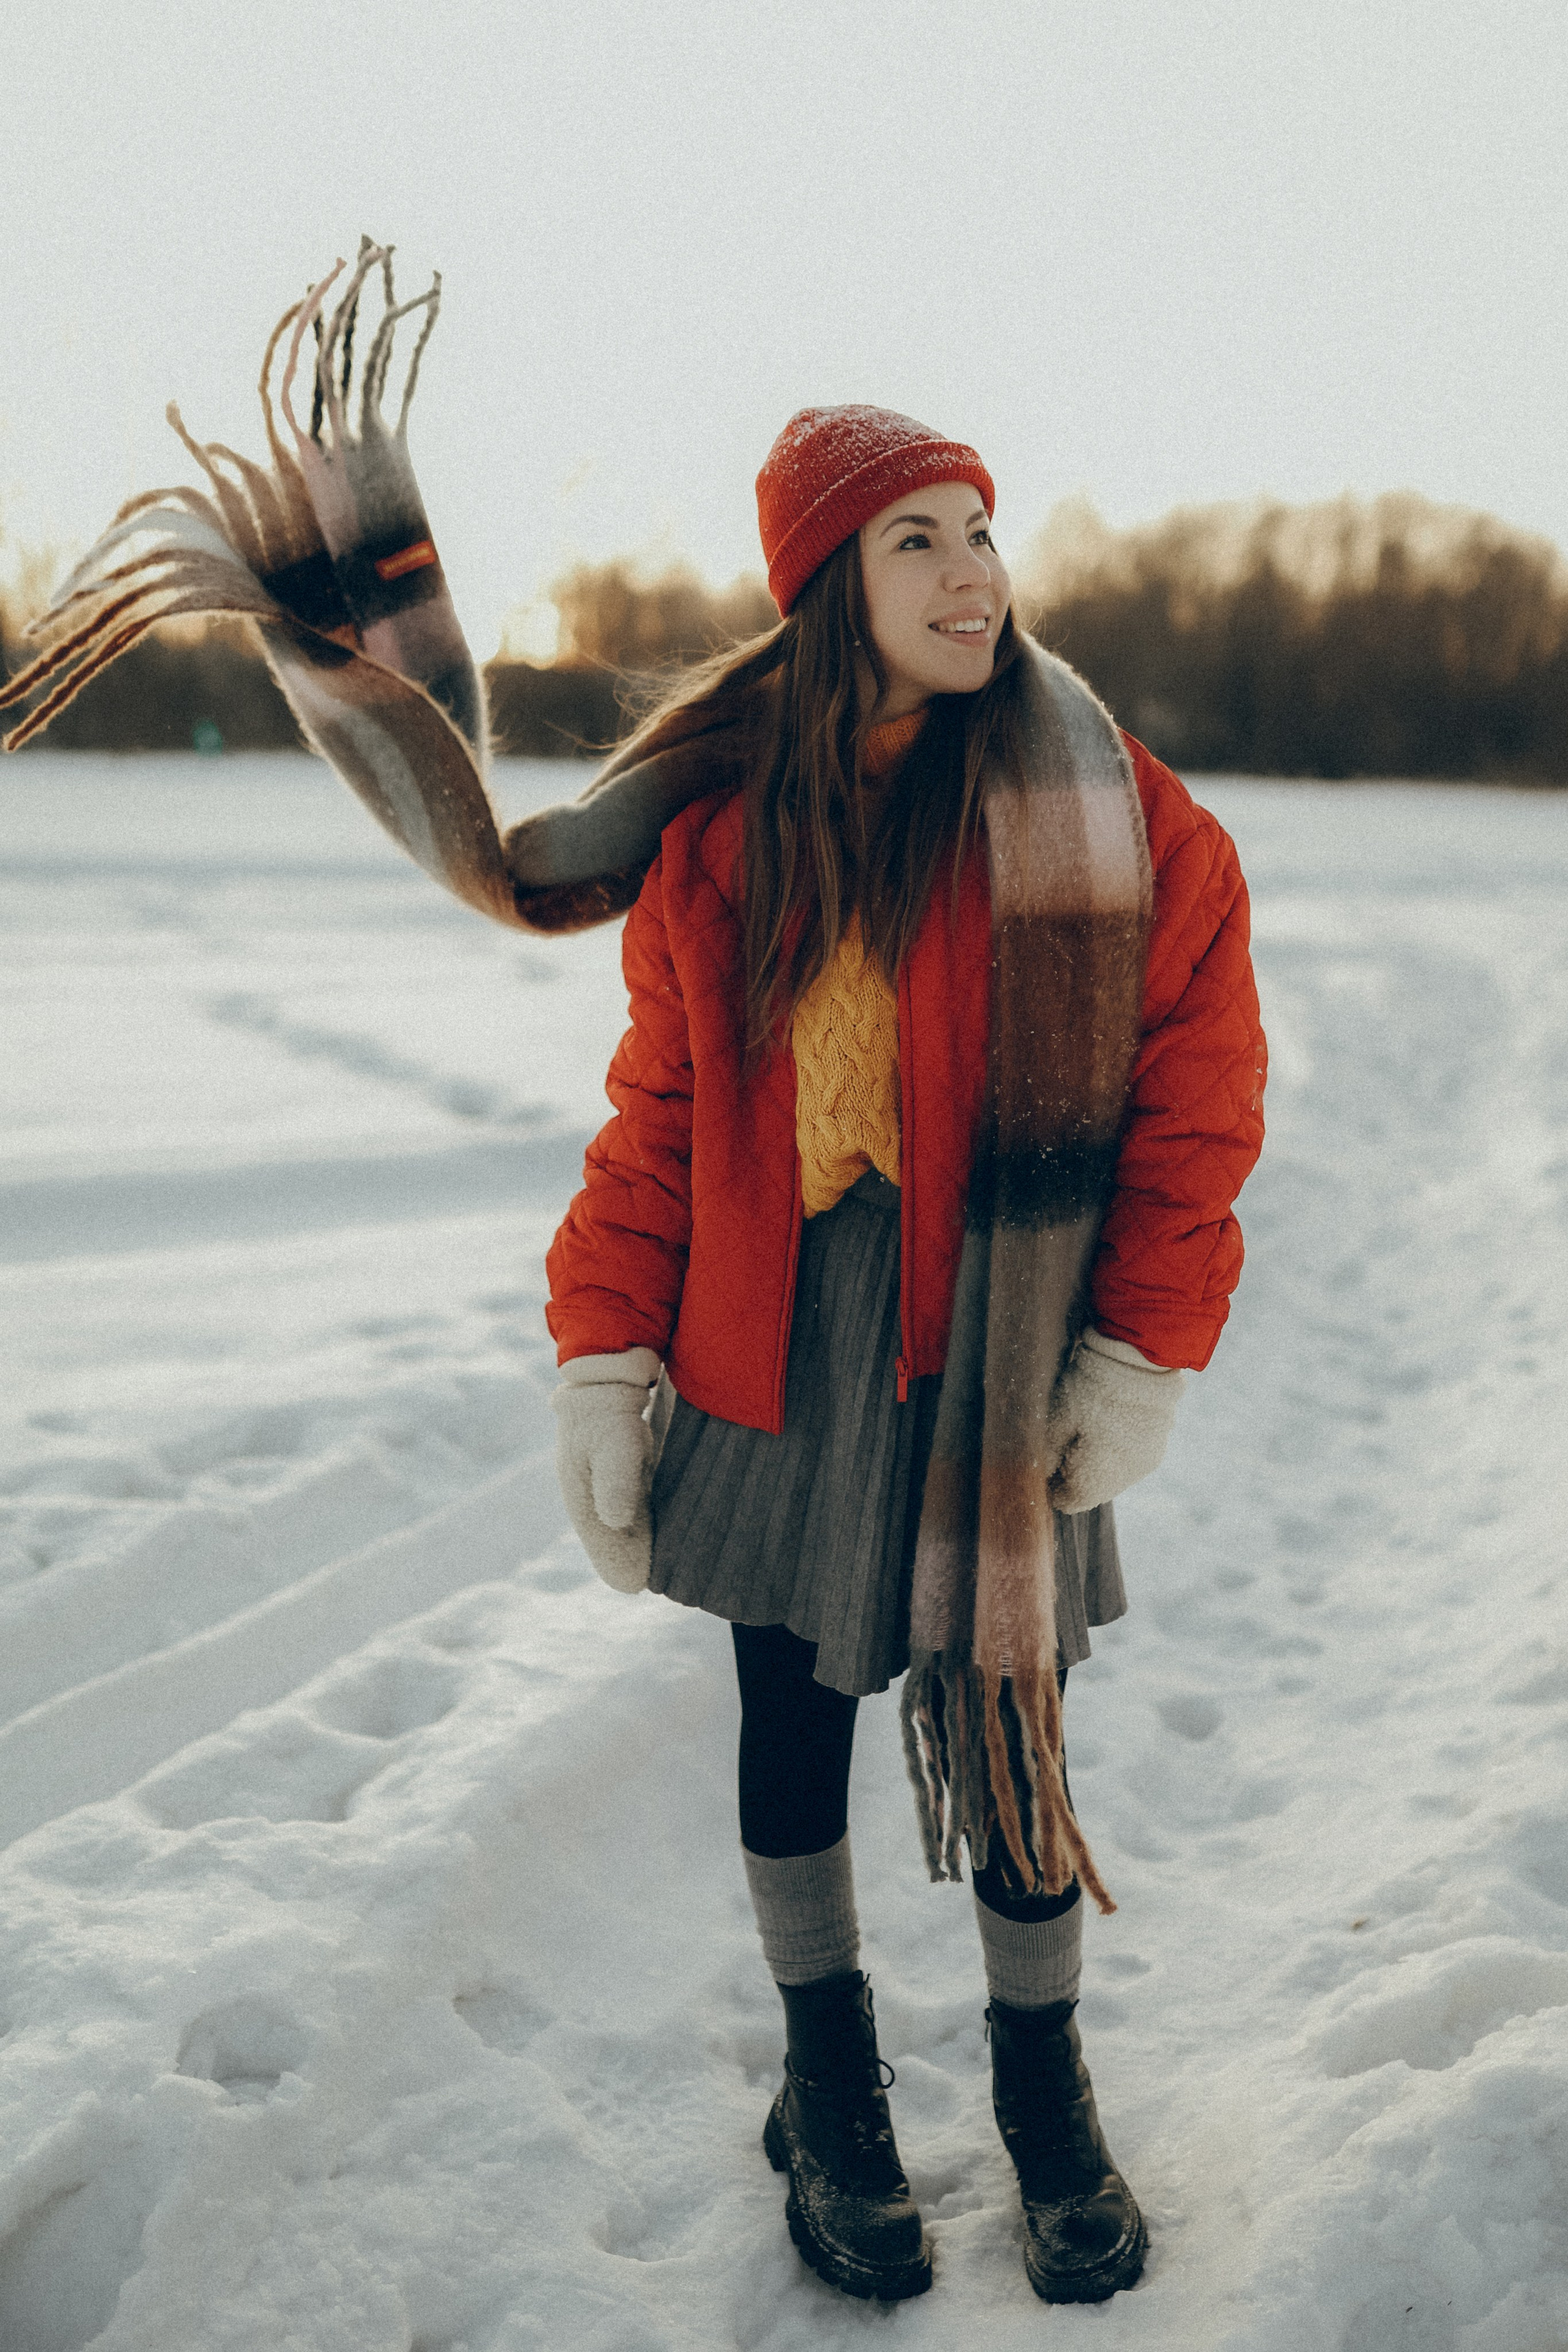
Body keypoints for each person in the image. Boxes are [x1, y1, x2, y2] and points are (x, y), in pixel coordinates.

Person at [535, 406, 1266, 2307]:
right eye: (915, 542)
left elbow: (1202, 1082)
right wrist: (604, 1350)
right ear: (823, 590)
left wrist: (1143, 1344)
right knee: (793, 1716)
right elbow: (663, 1120)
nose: (970, 575)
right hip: (777, 1334)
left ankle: (1043, 2087)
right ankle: (829, 2081)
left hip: (993, 1331)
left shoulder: (1097, 798)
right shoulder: (721, 832)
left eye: (979, 533)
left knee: (1010, 1722)